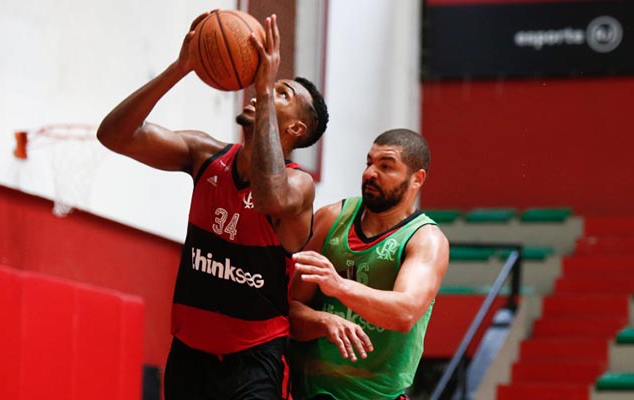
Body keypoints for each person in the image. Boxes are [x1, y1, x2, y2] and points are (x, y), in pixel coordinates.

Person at [97, 12, 329, 400]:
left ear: (295, 130)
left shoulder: (298, 184)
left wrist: (266, 80)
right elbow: (114, 135)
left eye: (280, 92)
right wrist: (181, 66)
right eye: (267, 87)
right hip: (190, 354)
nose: (263, 90)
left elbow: (269, 195)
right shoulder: (204, 154)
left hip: (254, 357)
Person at [288, 129, 449, 400]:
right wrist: (324, 321)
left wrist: (339, 286)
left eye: (386, 166)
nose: (370, 173)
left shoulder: (426, 240)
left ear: (416, 179)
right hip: (308, 391)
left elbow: (405, 313)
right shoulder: (331, 218)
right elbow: (289, 311)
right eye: (369, 163)